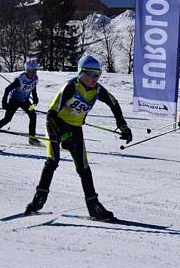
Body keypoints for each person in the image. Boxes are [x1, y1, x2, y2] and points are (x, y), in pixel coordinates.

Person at [24, 55, 132, 220]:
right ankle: (38, 201)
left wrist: (123, 125)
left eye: (97, 75)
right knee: (52, 161)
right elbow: (51, 115)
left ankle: (94, 207)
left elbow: (114, 103)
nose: (94, 79)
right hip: (55, 125)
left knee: (84, 168)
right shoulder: (71, 87)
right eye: (90, 74)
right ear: (81, 73)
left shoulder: (97, 90)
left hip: (75, 129)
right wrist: (62, 133)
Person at [0, 59, 40, 144]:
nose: (34, 73)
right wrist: (4, 102)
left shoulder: (35, 78)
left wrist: (35, 97)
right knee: (7, 119)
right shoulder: (20, 79)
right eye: (32, 71)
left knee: (33, 115)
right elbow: (7, 89)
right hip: (14, 100)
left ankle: (32, 138)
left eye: (35, 71)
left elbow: (33, 87)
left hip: (25, 101)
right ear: (27, 70)